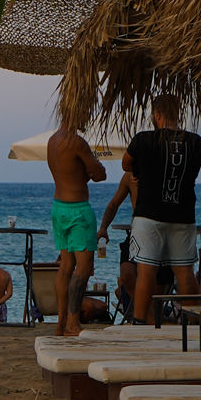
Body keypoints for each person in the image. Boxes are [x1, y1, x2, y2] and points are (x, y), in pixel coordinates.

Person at [123, 96, 201, 324]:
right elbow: (193, 173)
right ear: (178, 113)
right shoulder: (195, 142)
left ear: (156, 115)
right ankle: (194, 322)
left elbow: (125, 163)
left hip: (148, 213)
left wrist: (140, 171)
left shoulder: (143, 139)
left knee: (146, 270)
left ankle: (140, 321)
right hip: (183, 214)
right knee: (184, 271)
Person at [46, 126, 107, 337]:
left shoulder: (52, 141)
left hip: (58, 206)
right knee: (84, 268)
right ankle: (73, 322)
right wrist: (93, 166)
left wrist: (84, 172)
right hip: (78, 209)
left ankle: (60, 324)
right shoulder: (77, 142)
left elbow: (70, 173)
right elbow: (100, 174)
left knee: (66, 266)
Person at [96, 171, 139, 319]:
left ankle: (146, 312)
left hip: (160, 232)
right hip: (137, 232)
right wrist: (103, 228)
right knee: (126, 275)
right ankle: (138, 311)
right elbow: (114, 204)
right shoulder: (130, 176)